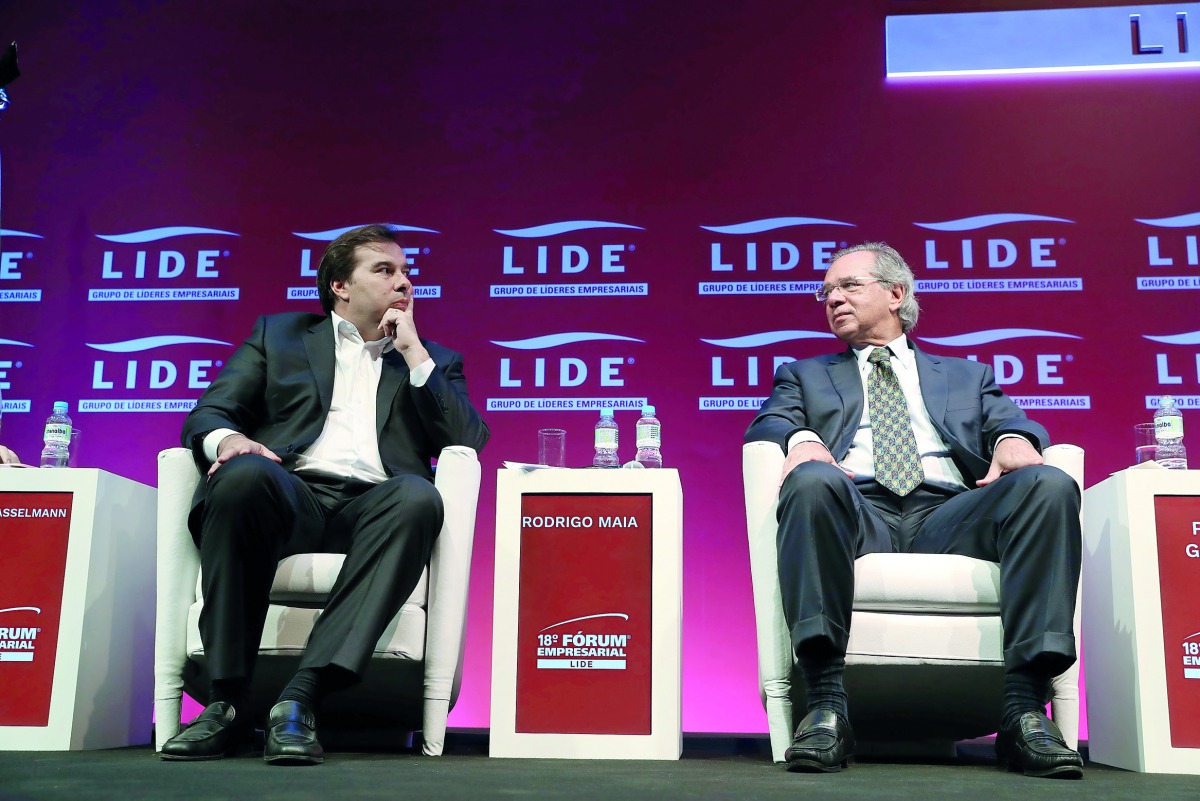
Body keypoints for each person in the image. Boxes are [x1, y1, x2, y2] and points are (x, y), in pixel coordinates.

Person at [745, 243, 1083, 779]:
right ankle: (827, 706)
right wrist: (805, 438)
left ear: (896, 293)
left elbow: (1014, 421)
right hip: (856, 510)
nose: (833, 298)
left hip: (950, 515)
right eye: (826, 291)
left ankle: (1023, 712)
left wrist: (1016, 438)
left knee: (1048, 483)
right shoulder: (804, 374)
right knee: (811, 481)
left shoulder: (967, 375)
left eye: (849, 285)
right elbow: (771, 423)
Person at [161, 224, 489, 765]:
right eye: (385, 271)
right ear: (340, 285)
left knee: (417, 496)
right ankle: (225, 703)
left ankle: (299, 700)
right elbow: (209, 413)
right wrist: (232, 439)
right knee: (241, 475)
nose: (403, 283)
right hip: (291, 494)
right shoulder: (279, 336)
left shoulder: (432, 360)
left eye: (407, 272)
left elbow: (467, 440)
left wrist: (413, 355)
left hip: (375, 505)